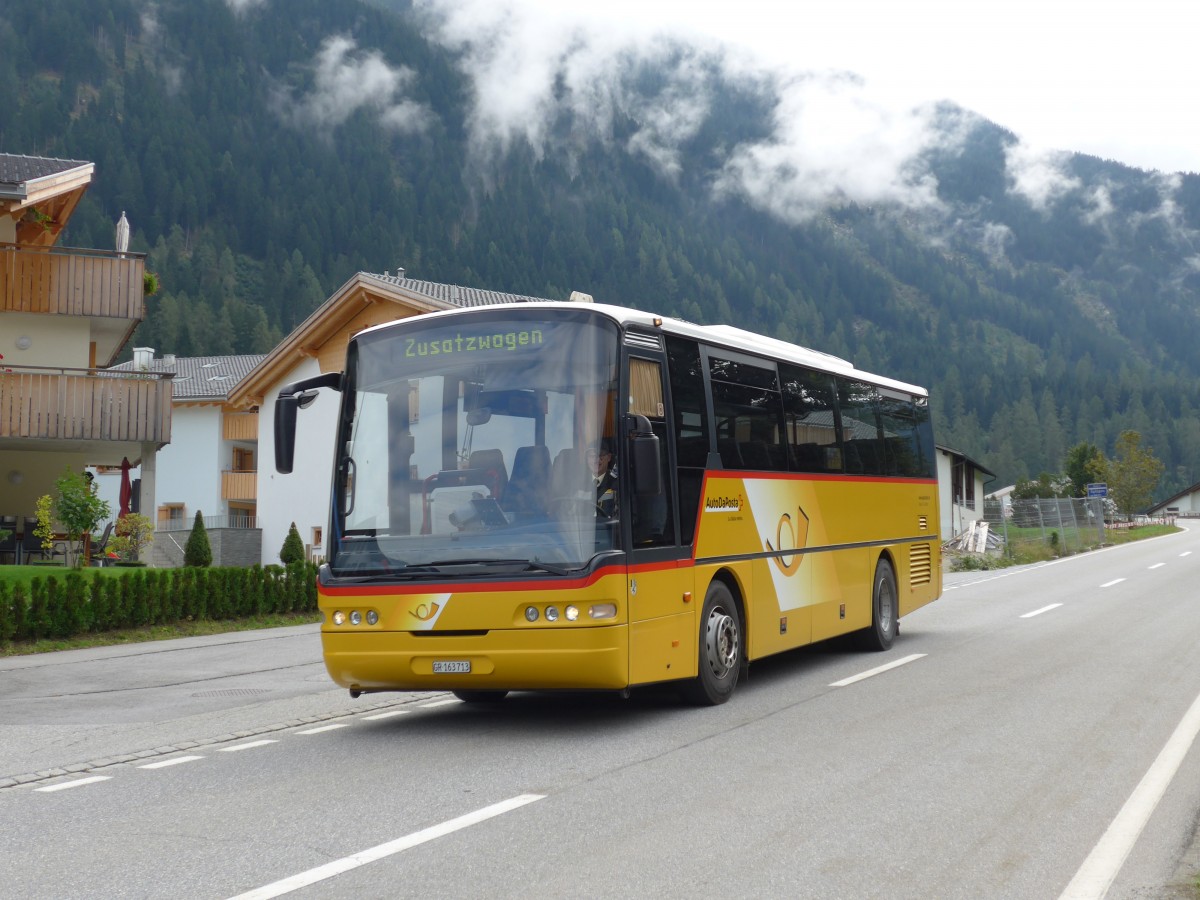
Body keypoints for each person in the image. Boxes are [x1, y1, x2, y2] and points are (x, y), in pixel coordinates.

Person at [588, 438, 618, 516]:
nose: (596, 460)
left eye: (600, 455)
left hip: (606, 527)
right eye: (591, 456)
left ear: (609, 457)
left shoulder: (617, 484)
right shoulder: (578, 484)